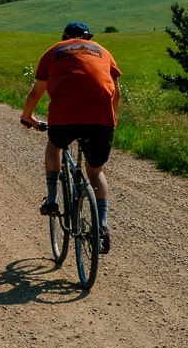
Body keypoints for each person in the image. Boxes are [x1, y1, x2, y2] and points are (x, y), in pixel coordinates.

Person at [19, 21, 122, 252]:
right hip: (101, 119)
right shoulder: (103, 52)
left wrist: (28, 117)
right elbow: (116, 93)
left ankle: (53, 198)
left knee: (55, 145)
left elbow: (37, 92)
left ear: (64, 37)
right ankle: (102, 226)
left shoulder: (53, 51)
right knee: (95, 172)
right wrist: (109, 119)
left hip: (65, 117)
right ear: (89, 38)